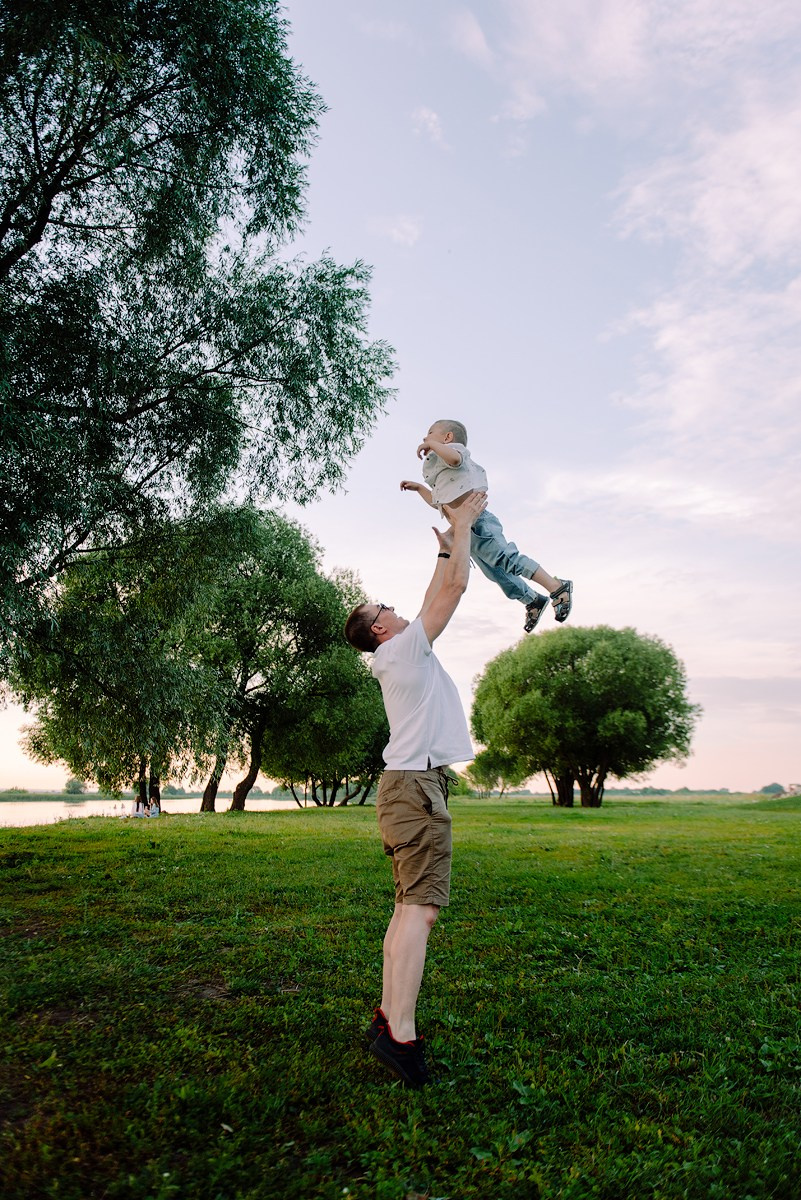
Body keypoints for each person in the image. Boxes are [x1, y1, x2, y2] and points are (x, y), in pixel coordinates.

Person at [344, 490, 488, 1089]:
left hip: (409, 787)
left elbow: (436, 592)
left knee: (409, 910)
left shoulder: (400, 652)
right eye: (390, 609)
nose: (402, 612)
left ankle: (389, 1019)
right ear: (381, 629)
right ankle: (401, 1035)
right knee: (420, 912)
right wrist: (466, 525)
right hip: (415, 790)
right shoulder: (402, 650)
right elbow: (452, 595)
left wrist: (446, 550)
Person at [401, 419, 573, 633]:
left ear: (447, 438)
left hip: (481, 523)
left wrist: (433, 445)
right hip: (466, 534)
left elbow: (454, 460)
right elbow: (437, 502)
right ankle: (532, 600)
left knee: (508, 559)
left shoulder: (455, 453)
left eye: (430, 433)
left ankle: (557, 586)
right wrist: (419, 489)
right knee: (496, 574)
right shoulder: (442, 478)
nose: (425, 437)